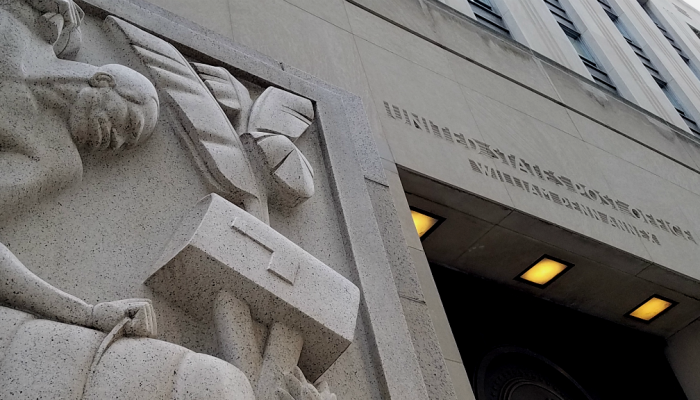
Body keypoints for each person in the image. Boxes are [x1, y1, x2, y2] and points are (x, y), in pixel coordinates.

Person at [0, 0, 159, 335]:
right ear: (103, 80)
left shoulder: (54, 160)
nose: (116, 142)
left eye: (127, 143)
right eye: (127, 123)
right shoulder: (31, 30)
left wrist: (85, 314)